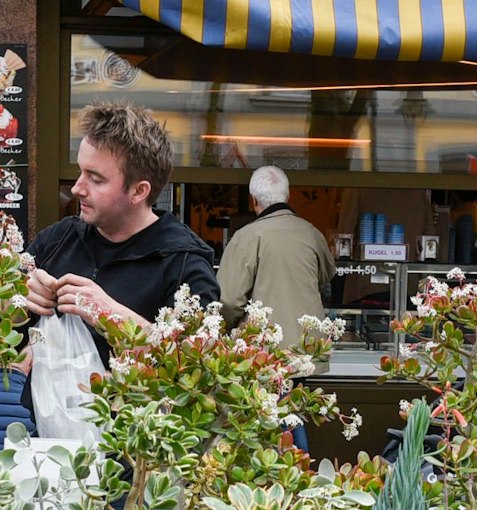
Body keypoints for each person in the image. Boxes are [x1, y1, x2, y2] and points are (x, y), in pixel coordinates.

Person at [25, 102, 219, 364]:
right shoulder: (58, 239)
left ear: (139, 191)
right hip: (42, 405)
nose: (77, 189)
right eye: (80, 171)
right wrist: (19, 300)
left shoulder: (184, 264)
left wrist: (108, 314)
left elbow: (201, 366)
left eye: (95, 178)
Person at [217, 165, 335, 349]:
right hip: (308, 347)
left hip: (264, 350)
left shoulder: (246, 237)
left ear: (254, 200)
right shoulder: (312, 233)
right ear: (288, 196)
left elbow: (230, 301)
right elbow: (327, 277)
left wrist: (223, 331)